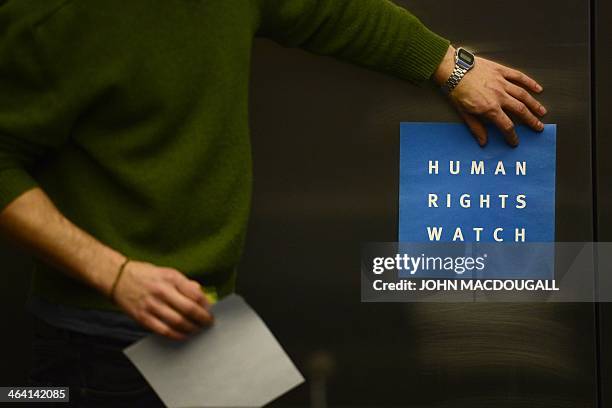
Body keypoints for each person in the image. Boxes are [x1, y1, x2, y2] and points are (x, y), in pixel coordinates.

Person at [0, 0, 546, 406]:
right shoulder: (55, 15)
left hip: (208, 319)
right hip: (102, 333)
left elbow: (333, 12)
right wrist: (115, 274)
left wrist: (450, 64)